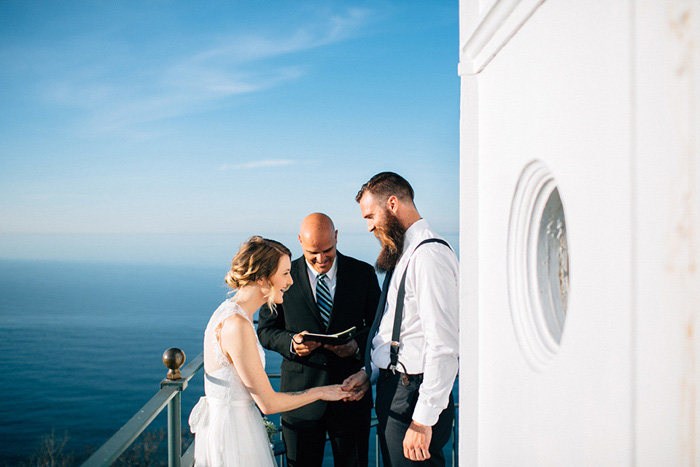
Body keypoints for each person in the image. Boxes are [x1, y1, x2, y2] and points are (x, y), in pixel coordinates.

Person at [188, 236, 349, 467]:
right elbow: (268, 403)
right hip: (234, 437)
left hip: (232, 426)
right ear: (263, 278)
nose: (291, 281)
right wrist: (322, 392)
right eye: (285, 273)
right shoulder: (237, 325)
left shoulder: (231, 313)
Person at [342, 172, 459, 466]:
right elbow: (400, 330)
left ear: (392, 204)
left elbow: (443, 345)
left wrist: (422, 420)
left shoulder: (429, 255)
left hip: (413, 398)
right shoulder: (405, 252)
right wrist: (372, 373)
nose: (369, 227)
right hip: (397, 390)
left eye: (371, 216)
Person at [257, 213, 380, 467]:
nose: (321, 259)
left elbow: (380, 328)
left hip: (350, 395)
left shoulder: (363, 273)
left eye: (328, 250)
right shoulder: (281, 277)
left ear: (336, 237)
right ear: (300, 241)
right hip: (300, 399)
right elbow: (266, 331)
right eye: (313, 252)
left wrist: (356, 346)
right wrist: (292, 343)